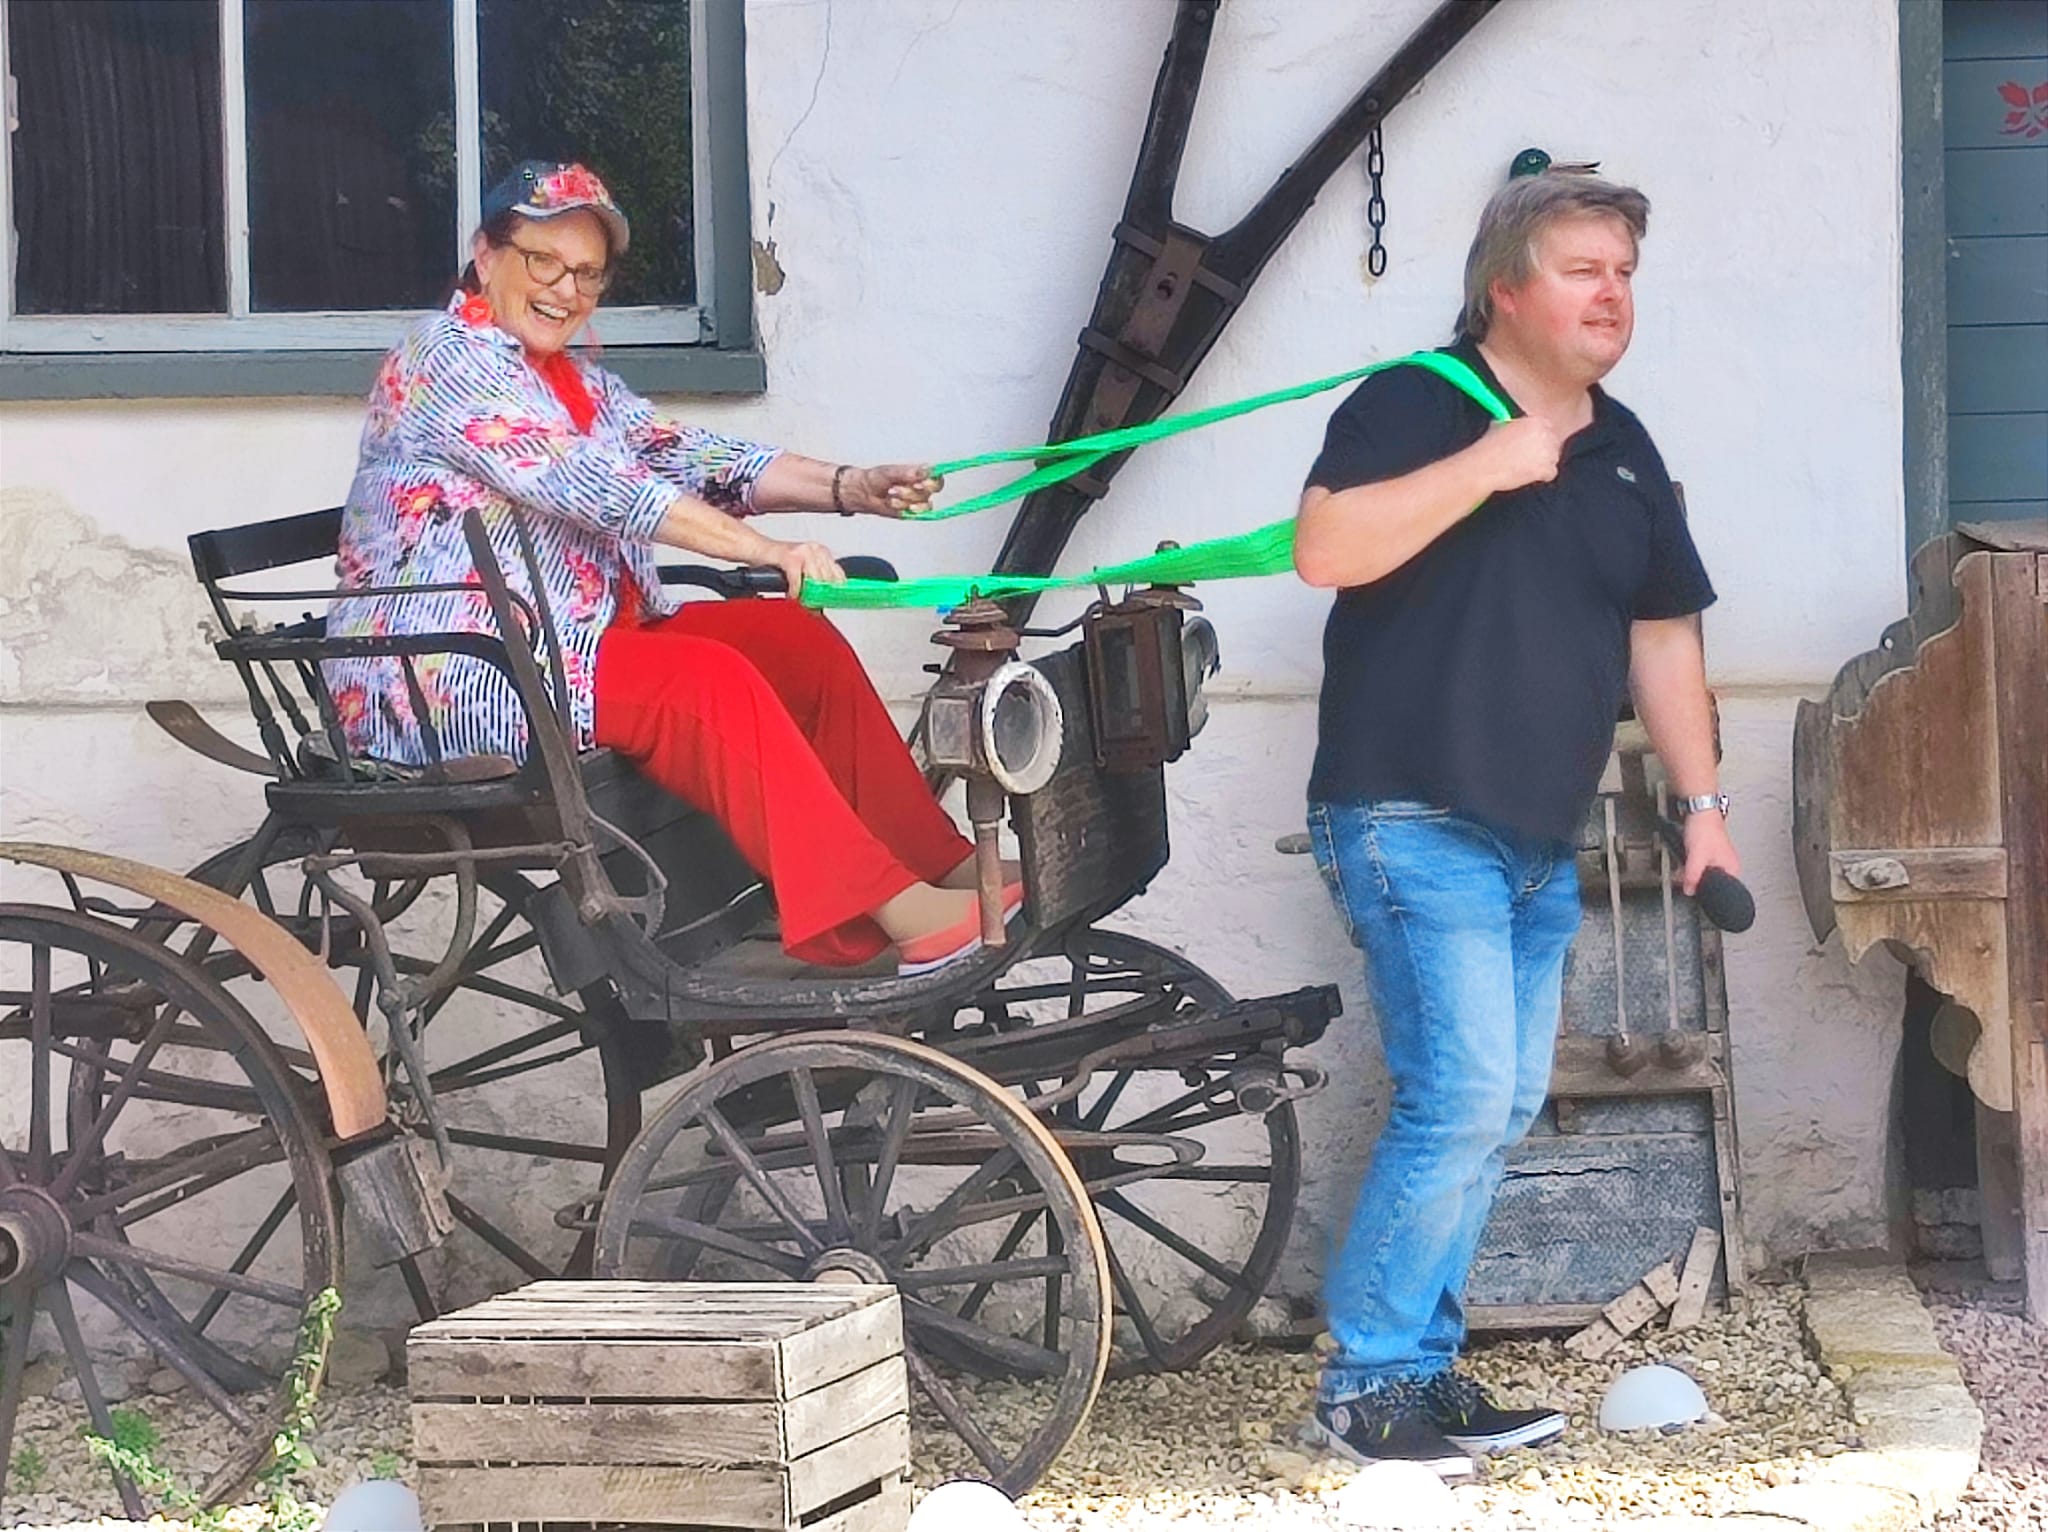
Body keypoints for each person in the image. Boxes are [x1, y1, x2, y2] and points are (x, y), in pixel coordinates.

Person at [1291, 173, 1741, 1477]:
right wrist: (1488, 466)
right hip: (1409, 809)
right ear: (1507, 290)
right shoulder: (1417, 404)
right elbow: (1326, 547)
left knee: (1497, 1103)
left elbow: (1663, 635)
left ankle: (1418, 1377)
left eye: (1625, 273)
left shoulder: (1623, 447)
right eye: (1584, 270)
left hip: (1539, 834)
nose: (1615, 296)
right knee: (1466, 1094)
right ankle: (1369, 1389)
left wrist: (1702, 807)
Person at [325, 160, 1013, 975]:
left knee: (790, 639)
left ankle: (931, 863)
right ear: (486, 254)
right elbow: (602, 487)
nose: (564, 289)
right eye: (541, 260)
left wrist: (847, 486)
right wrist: (766, 550)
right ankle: (894, 913)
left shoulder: (569, 379)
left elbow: (682, 455)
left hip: (559, 645)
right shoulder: (445, 358)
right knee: (700, 686)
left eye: (587, 272)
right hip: (446, 672)